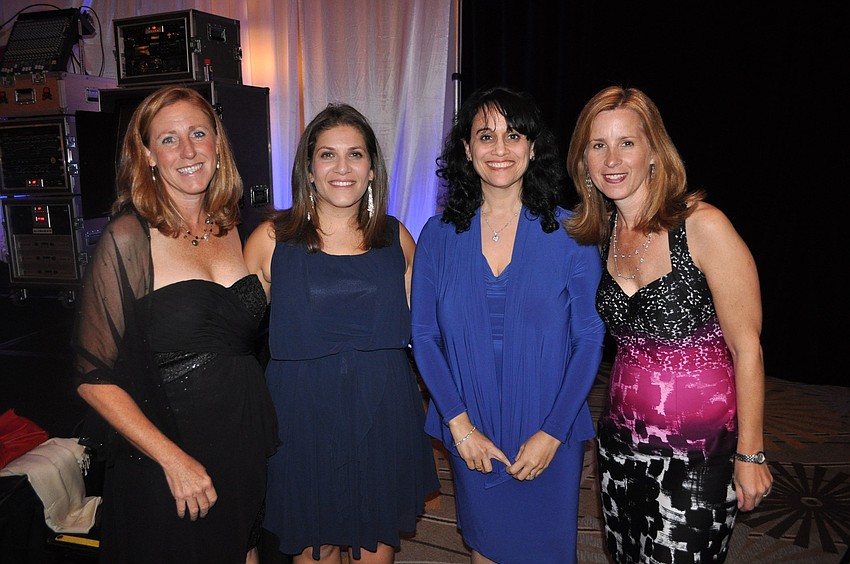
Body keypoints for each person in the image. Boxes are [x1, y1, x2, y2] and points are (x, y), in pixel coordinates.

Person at [564, 85, 774, 563]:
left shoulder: (702, 226)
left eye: (627, 143)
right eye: (598, 145)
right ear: (584, 162)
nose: (612, 158)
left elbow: (748, 349)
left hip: (701, 455)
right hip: (620, 448)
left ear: (654, 152)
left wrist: (752, 453)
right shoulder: (600, 235)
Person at [72, 85, 279, 564]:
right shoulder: (129, 236)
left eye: (198, 133)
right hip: (170, 451)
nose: (187, 151)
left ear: (217, 144)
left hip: (242, 437)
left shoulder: (230, 225)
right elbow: (92, 376)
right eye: (168, 139)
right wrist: (173, 459)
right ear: (146, 154)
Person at [410, 86, 606, 563]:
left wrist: (553, 433)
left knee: (546, 551)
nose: (499, 149)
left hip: (548, 426)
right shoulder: (437, 237)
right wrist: (460, 427)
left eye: (513, 135)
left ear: (533, 148)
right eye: (485, 135)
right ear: (466, 149)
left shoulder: (572, 233)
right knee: (486, 546)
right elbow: (424, 337)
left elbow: (589, 338)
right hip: (470, 427)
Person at [243, 103, 439, 564]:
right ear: (309, 169)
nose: (342, 168)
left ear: (372, 169)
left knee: (375, 540)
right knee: (316, 543)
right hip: (300, 413)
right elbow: (226, 333)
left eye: (355, 154)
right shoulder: (272, 240)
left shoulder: (397, 238)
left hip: (383, 407)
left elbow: (430, 331)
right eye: (327, 155)